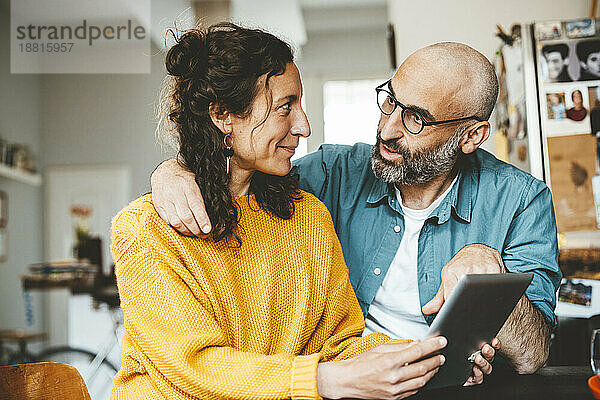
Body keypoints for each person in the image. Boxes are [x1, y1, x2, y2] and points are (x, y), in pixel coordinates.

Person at [110, 23, 481, 400]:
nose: (303, 126)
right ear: (224, 116)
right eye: (285, 107)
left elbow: (340, 344)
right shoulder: (145, 230)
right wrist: (322, 380)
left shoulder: (306, 216)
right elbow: (193, 368)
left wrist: (427, 359)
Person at [152, 41, 552, 377]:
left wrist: (492, 274)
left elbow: (534, 354)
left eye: (415, 119)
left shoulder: (522, 201)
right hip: (358, 378)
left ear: (471, 136)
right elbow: (239, 170)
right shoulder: (332, 173)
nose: (388, 129)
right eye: (390, 101)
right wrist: (171, 170)